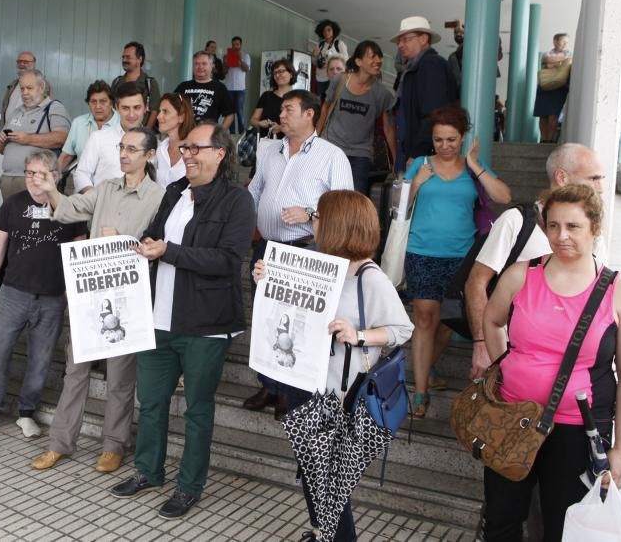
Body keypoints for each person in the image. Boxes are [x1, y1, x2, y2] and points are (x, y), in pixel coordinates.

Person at [482, 184, 621, 541]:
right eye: (553, 225)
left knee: (564, 527)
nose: (561, 236)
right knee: (501, 520)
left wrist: (620, 452)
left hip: (578, 431)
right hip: (512, 420)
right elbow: (493, 320)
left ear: (594, 228)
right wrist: (503, 367)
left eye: (573, 226)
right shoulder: (521, 276)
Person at [110, 123, 256, 520]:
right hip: (158, 317)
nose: (187, 152)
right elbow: (153, 236)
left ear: (219, 154)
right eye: (185, 146)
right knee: (152, 401)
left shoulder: (237, 202)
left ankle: (189, 487)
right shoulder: (174, 191)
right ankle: (148, 472)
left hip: (206, 324)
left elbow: (228, 261)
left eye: (196, 147)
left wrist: (168, 251)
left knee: (197, 409)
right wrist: (134, 245)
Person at [252, 190, 413, 541]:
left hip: (338, 397)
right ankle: (319, 531)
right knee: (313, 472)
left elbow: (402, 330)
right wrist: (266, 280)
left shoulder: (370, 277)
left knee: (330, 484)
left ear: (339, 224)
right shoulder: (317, 263)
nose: (314, 223)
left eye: (318, 217)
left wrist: (359, 335)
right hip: (304, 383)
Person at [28, 127, 164, 473]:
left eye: (132, 149)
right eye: (121, 147)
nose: (123, 154)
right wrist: (51, 190)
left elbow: (160, 243)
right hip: (92, 296)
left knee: (120, 378)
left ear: (149, 155)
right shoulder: (105, 188)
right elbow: (70, 209)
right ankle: (60, 442)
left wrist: (128, 242)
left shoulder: (159, 196)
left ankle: (114, 445)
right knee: (75, 371)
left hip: (129, 299)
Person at [243, 90, 354, 419]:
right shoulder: (269, 150)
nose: (282, 114)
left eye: (289, 109)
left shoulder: (332, 156)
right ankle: (268, 384)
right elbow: (255, 191)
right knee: (266, 317)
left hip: (307, 249)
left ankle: (290, 393)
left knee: (298, 322)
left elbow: (345, 209)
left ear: (310, 114)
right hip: (268, 248)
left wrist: (310, 213)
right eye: (281, 109)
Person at [0, 150, 87, 438]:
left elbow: (79, 252)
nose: (33, 179)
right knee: (0, 352)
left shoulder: (70, 208)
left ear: (55, 177)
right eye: (29, 173)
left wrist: (75, 293)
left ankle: (26, 413)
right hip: (14, 293)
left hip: (52, 297)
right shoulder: (13, 204)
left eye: (40, 174)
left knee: (41, 358)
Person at [464, 143, 608, 379]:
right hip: (511, 357)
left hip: (569, 365)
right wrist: (482, 345)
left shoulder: (593, 234)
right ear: (561, 177)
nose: (600, 187)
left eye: (601, 178)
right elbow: (476, 282)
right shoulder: (517, 221)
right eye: (593, 178)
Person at [403, 105, 511, 418]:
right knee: (425, 318)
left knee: (448, 323)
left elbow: (504, 196)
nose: (445, 146)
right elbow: (399, 208)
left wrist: (475, 165)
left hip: (463, 258)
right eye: (439, 140)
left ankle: (428, 369)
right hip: (422, 252)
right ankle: (420, 391)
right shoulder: (421, 165)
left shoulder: (471, 166)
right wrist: (417, 184)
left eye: (451, 139)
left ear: (461, 137)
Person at [318, 41, 397, 194]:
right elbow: (325, 109)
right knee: (326, 196)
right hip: (331, 147)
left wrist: (396, 161)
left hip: (360, 155)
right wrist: (314, 140)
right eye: (372, 56)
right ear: (358, 61)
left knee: (354, 201)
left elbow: (389, 128)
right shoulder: (339, 80)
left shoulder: (382, 94)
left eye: (379, 57)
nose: (378, 61)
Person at [390, 16, 457, 173]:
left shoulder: (431, 65)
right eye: (399, 41)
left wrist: (417, 153)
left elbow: (434, 114)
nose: (400, 45)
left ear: (423, 39)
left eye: (406, 39)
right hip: (414, 152)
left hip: (423, 157)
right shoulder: (413, 68)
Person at [0, 69, 70, 202]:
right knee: (13, 221)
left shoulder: (54, 107)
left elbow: (62, 138)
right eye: (22, 89)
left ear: (41, 88)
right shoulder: (16, 112)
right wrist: (1, 140)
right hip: (8, 179)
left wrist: (28, 139)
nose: (25, 93)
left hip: (36, 180)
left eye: (29, 88)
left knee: (35, 220)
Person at [74, 82, 148, 192]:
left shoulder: (156, 144)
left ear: (146, 108)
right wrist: (96, 201)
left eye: (137, 107)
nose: (131, 114)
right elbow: (81, 174)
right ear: (117, 108)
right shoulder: (98, 138)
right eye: (125, 108)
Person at [57, 81, 120, 173]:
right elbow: (66, 156)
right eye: (93, 102)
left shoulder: (122, 123)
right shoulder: (79, 123)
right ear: (88, 103)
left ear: (111, 103)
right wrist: (51, 178)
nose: (98, 106)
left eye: (103, 101)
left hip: (113, 181)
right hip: (81, 179)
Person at [173, 51, 234, 130]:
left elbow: (229, 115)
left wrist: (219, 133)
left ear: (212, 66)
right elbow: (171, 108)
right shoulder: (183, 86)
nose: (200, 67)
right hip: (184, 133)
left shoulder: (220, 88)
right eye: (197, 64)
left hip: (207, 137)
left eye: (204, 63)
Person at [111, 42, 162, 129]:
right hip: (117, 132)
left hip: (141, 133)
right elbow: (111, 109)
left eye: (128, 57)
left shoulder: (150, 83)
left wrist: (145, 132)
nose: (124, 60)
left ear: (140, 59)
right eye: (123, 57)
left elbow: (154, 111)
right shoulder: (117, 82)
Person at [534, 33, 573, 144]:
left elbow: (551, 63)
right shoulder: (547, 53)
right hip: (545, 85)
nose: (565, 44)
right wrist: (561, 63)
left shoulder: (568, 53)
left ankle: (550, 139)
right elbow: (547, 59)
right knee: (543, 115)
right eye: (562, 41)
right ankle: (543, 138)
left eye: (566, 42)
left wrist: (554, 64)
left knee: (553, 115)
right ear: (555, 41)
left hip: (559, 87)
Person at [154, 93, 196, 188]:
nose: (158, 116)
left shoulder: (196, 150)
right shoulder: (160, 149)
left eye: (165, 111)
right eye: (159, 111)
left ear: (181, 117)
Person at [251, 59, 296, 138]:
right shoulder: (266, 96)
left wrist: (281, 128)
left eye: (281, 71)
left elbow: (300, 125)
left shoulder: (297, 98)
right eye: (275, 73)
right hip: (265, 143)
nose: (278, 75)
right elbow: (253, 120)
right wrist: (260, 123)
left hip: (289, 144)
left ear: (291, 74)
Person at [0, 51, 54, 117]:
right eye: (19, 62)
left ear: (34, 64)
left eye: (26, 62)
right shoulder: (12, 85)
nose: (22, 64)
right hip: (8, 126)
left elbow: (47, 109)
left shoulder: (43, 85)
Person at [311, 20, 349, 99]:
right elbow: (315, 62)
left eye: (329, 30)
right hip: (320, 77)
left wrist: (332, 58)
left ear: (334, 31)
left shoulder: (339, 44)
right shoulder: (319, 45)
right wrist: (314, 56)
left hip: (334, 76)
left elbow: (346, 60)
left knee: (332, 99)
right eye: (324, 30)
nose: (326, 32)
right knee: (321, 100)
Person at [224, 36, 250, 134]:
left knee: (240, 111)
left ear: (241, 45)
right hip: (229, 88)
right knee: (230, 112)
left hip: (240, 88)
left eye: (237, 44)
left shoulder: (246, 56)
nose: (235, 46)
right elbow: (224, 72)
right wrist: (226, 63)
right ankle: (232, 134)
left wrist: (239, 59)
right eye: (233, 44)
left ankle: (242, 134)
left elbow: (246, 69)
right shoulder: (227, 56)